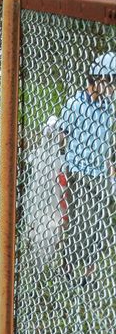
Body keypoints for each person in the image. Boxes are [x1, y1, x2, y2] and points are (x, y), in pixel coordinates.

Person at [57, 51, 115, 284]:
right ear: (97, 81)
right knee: (76, 220)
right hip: (77, 170)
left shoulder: (110, 109)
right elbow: (62, 134)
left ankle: (88, 271)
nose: (112, 90)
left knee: (96, 224)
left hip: (99, 173)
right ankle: (68, 265)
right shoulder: (76, 104)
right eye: (111, 83)